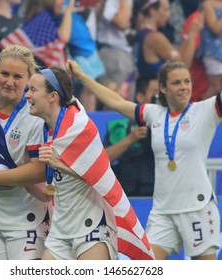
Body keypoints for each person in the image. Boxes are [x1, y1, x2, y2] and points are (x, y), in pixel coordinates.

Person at [67, 23, 222, 260]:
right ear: (163, 88)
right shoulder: (153, 114)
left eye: (186, 82)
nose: (183, 87)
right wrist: (82, 76)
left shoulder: (205, 111)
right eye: (176, 83)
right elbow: (115, 101)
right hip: (163, 211)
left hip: (197, 209)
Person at [25, 66, 153, 260]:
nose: (27, 95)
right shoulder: (41, 129)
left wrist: (59, 164)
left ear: (52, 96)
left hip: (91, 228)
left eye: (33, 90)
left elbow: (98, 173)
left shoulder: (80, 126)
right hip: (60, 231)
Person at [0, 45, 52, 260]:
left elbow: (38, 170)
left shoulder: (34, 114)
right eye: (4, 74)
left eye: (17, 76)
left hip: (27, 222)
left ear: (29, 79)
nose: (9, 82)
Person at [103, 74, 158, 197]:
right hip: (124, 195)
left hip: (157, 194)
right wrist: (131, 138)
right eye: (155, 93)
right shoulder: (119, 127)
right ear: (140, 97)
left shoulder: (169, 128)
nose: (159, 98)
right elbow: (102, 159)